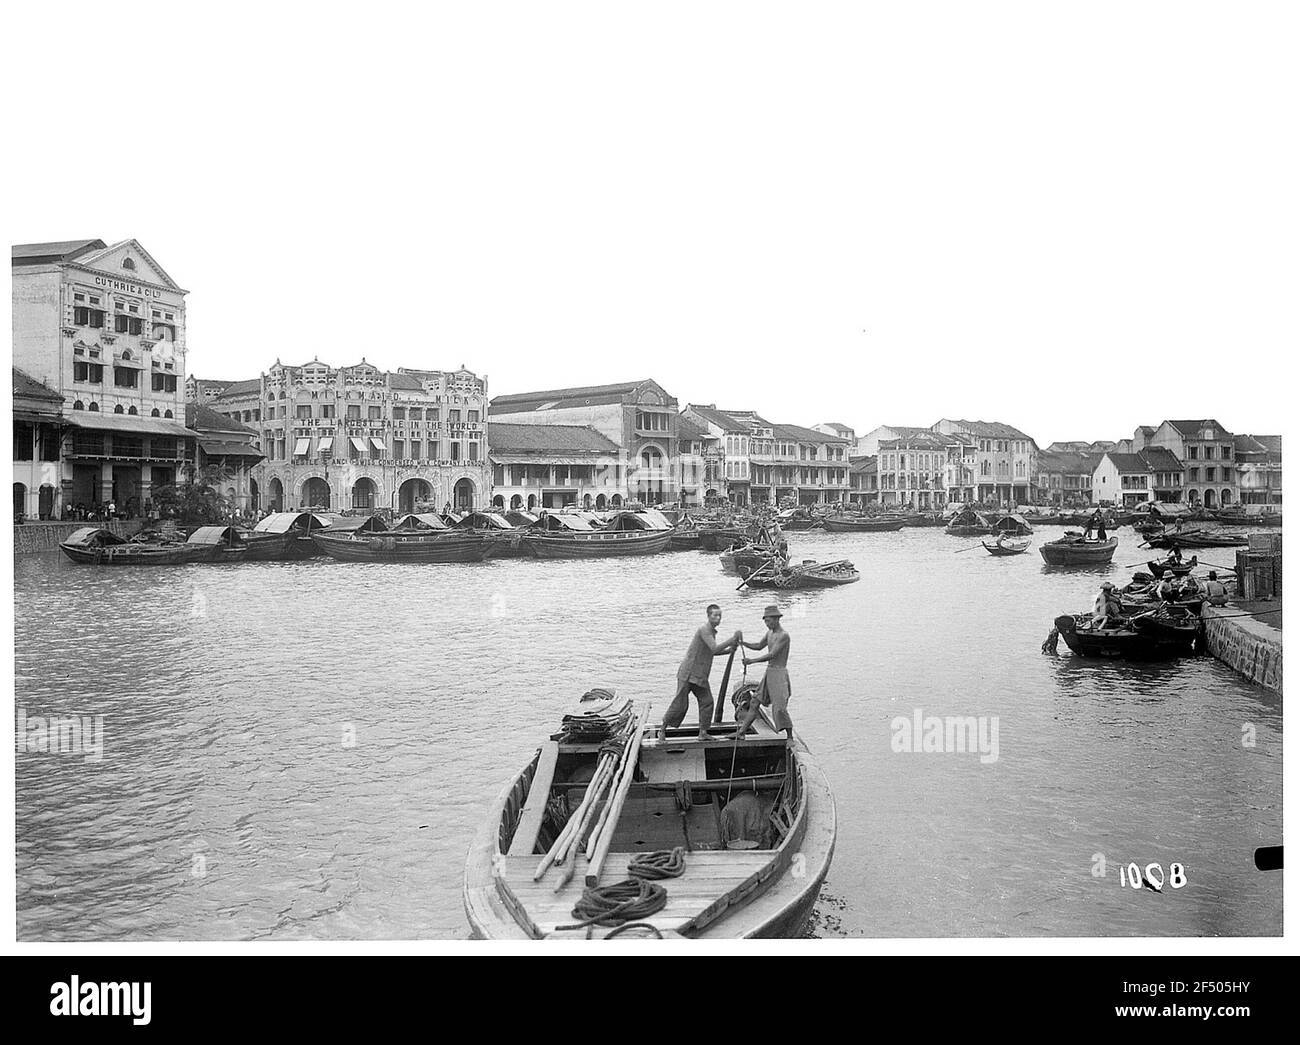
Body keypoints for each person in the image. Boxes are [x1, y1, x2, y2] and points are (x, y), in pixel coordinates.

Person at [665, 604, 742, 740]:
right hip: (688, 673)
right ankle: (662, 730)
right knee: (680, 704)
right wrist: (732, 640)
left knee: (707, 701)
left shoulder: (711, 632)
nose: (718, 618)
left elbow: (711, 652)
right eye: (715, 615)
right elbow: (714, 648)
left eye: (720, 616)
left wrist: (729, 651)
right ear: (708, 616)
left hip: (700, 675)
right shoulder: (704, 630)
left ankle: (703, 733)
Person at [736, 605, 793, 739]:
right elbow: (758, 646)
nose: (767, 624)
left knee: (779, 708)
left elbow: (772, 655)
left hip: (779, 673)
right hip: (769, 672)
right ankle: (741, 732)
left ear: (777, 619)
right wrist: (743, 643)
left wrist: (752, 661)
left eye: (769, 621)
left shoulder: (783, 635)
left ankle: (789, 736)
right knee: (755, 701)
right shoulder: (769, 633)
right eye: (765, 621)